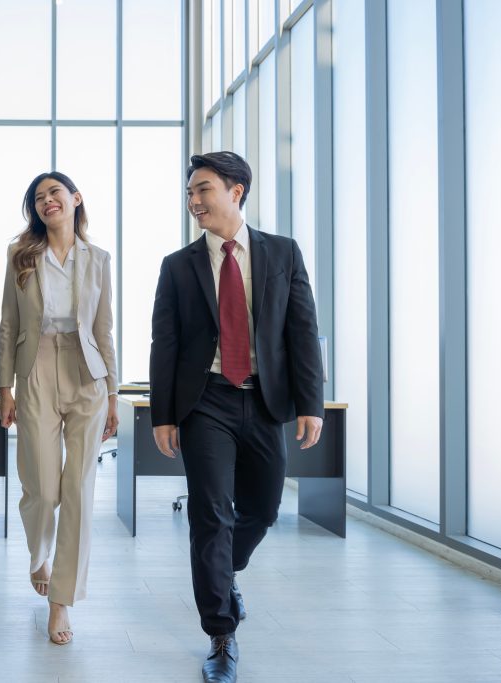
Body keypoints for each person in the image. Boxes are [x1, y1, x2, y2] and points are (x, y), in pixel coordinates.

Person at [150, 152, 324, 683]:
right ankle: (221, 635)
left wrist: (311, 404)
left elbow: (302, 332)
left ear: (236, 192)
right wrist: (163, 414)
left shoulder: (281, 253)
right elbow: (166, 343)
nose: (194, 201)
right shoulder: (178, 265)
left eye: (203, 190)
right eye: (190, 193)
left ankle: (226, 576)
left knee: (264, 508)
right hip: (205, 402)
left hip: (265, 399)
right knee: (210, 515)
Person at [0, 171, 119, 645]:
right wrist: (4, 386)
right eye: (39, 197)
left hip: (87, 371)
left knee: (79, 490)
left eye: (55, 193)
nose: (47, 201)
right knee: (43, 486)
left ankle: (61, 601)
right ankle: (38, 555)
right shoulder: (20, 256)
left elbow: (104, 330)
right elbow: (8, 324)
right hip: (36, 365)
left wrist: (112, 394)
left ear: (75, 199)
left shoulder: (99, 259)